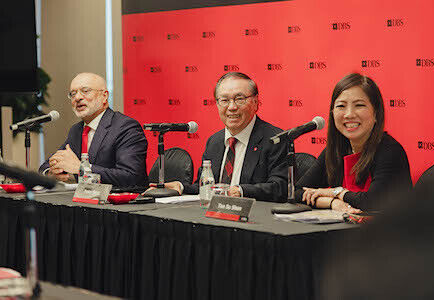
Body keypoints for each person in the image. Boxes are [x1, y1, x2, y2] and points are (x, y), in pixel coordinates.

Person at [161, 72, 288, 202]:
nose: (232, 107)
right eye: (224, 100)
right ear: (217, 104)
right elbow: (205, 187)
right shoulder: (214, 142)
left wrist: (241, 191)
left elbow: (281, 188)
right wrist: (181, 187)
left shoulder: (276, 139)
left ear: (256, 102)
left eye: (239, 99)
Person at [296, 73, 411, 212]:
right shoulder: (336, 149)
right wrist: (332, 203)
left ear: (376, 113)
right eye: (341, 106)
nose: (349, 114)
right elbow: (297, 192)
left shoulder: (390, 151)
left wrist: (337, 192)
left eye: (359, 105)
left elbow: (372, 202)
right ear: (332, 113)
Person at [39, 72, 148, 187]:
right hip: (86, 201)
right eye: (73, 94)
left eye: (85, 91)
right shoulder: (76, 131)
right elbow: (45, 167)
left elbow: (130, 176)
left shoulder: (126, 127)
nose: (77, 98)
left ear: (104, 96)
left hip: (123, 203)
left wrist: (82, 169)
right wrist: (52, 172)